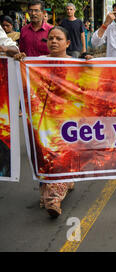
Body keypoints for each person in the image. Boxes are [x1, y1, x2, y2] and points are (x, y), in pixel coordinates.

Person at [14, 26, 76, 218]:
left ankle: (54, 198)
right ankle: (54, 189)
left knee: (60, 154)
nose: (54, 41)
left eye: (58, 38)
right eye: (50, 38)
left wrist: (91, 62)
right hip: (42, 118)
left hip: (66, 119)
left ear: (67, 43)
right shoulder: (37, 63)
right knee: (43, 154)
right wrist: (18, 60)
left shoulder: (76, 64)